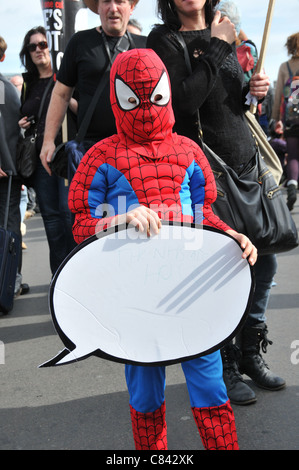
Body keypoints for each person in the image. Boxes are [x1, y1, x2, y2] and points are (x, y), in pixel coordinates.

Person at [68, 48, 257, 450]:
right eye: (133, 99)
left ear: (166, 92)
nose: (145, 109)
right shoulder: (99, 157)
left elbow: (205, 214)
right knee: (145, 396)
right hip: (132, 300)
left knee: (210, 388)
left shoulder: (189, 151)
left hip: (191, 295)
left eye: (153, 97)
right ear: (117, 100)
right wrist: (118, 219)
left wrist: (232, 237)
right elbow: (81, 226)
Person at [147, 0, 286, 406]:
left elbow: (230, 102)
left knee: (266, 259)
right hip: (204, 171)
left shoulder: (226, 27)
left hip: (244, 163)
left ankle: (249, 352)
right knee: (223, 267)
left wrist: (252, 90)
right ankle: (224, 361)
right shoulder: (165, 39)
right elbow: (183, 103)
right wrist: (219, 46)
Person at [40, 0, 146, 176]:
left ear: (131, 7)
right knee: (94, 205)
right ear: (98, 7)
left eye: (120, 1)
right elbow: (61, 94)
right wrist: (48, 141)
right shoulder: (80, 42)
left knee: (133, 205)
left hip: (136, 151)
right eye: (106, 2)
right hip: (92, 152)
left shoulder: (146, 45)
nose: (113, 8)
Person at [18, 27, 76, 276]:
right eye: (33, 47)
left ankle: (74, 277)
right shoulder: (26, 83)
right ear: (27, 53)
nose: (39, 50)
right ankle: (58, 278)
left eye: (43, 44)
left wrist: (62, 93)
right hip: (40, 158)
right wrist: (21, 124)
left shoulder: (67, 76)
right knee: (51, 219)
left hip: (64, 155)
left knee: (68, 216)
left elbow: (82, 109)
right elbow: (21, 115)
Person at [0, 36, 29, 299]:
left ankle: (9, 280)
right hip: (8, 170)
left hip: (4, 173)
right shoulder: (5, 86)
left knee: (8, 228)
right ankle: (11, 279)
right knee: (9, 226)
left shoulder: (1, 87)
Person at [272, 32, 299, 211]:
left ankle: (291, 184)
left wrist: (275, 119)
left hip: (291, 120)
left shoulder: (284, 67)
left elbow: (278, 94)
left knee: (293, 155)